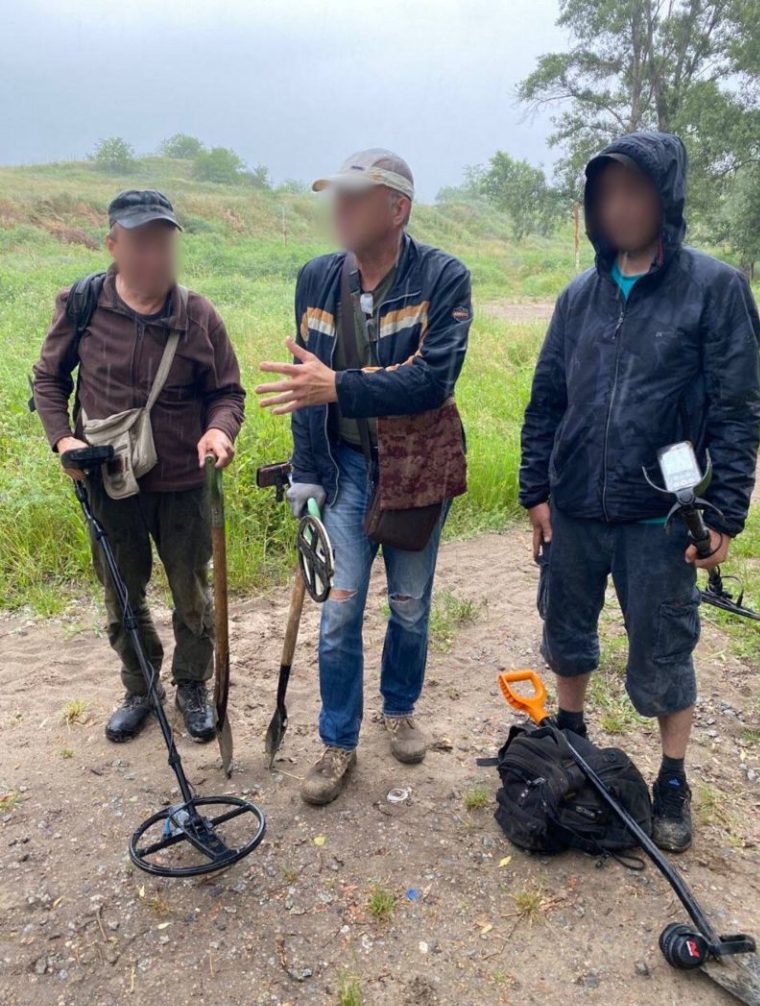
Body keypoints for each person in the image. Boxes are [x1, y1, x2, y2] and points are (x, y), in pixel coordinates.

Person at [519, 131, 760, 852]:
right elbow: (545, 401)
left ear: (667, 197)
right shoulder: (578, 297)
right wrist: (537, 490)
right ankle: (570, 737)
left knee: (663, 650)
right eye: (606, 193)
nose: (619, 206)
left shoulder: (713, 290)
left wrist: (725, 512)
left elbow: (737, 409)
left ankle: (673, 778)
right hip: (574, 507)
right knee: (566, 630)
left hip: (660, 515)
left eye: (634, 190)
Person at [257, 149, 472, 805]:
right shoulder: (316, 278)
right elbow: (304, 388)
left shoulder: (443, 276)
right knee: (338, 611)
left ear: (397, 209)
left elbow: (433, 381)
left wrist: (339, 386)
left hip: (415, 470)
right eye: (337, 196)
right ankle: (336, 741)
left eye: (356, 197)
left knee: (409, 605)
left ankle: (400, 708)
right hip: (344, 469)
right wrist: (307, 478)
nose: (340, 209)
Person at [34, 189, 245, 744]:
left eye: (162, 241)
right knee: (120, 592)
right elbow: (49, 381)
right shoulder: (82, 306)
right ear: (113, 244)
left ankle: (191, 684)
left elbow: (228, 392)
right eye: (140, 242)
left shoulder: (198, 315)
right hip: (108, 482)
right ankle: (140, 684)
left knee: (191, 592)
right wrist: (62, 442)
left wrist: (219, 429)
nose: (153, 255)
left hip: (183, 486)